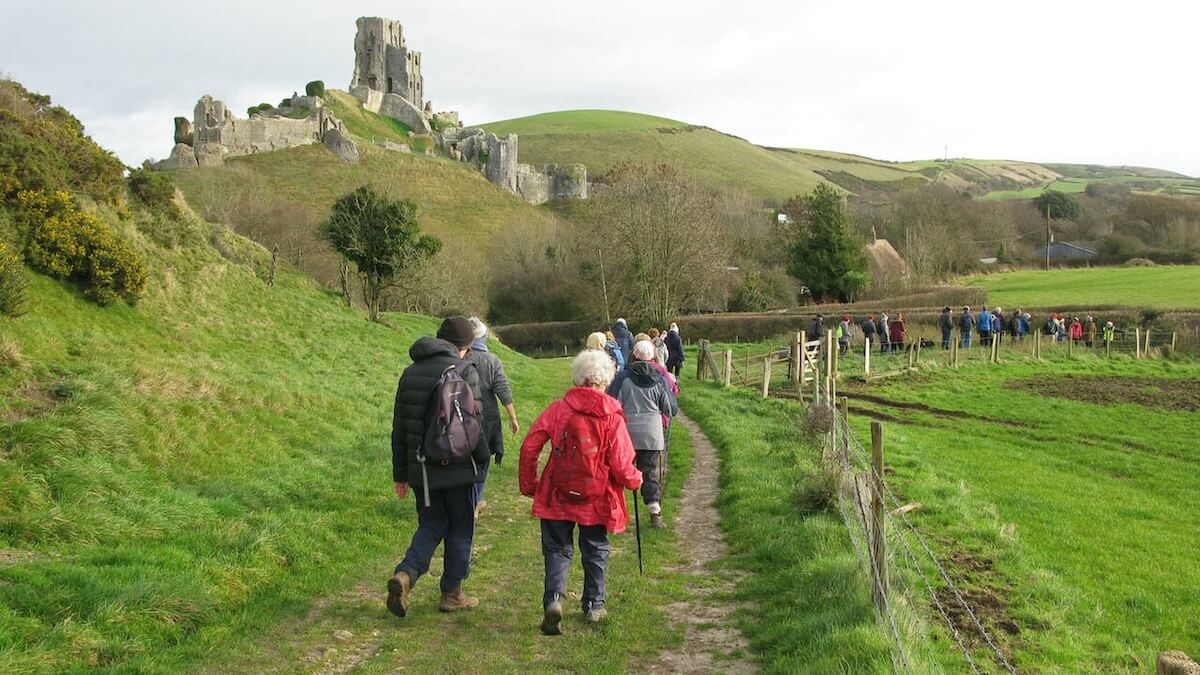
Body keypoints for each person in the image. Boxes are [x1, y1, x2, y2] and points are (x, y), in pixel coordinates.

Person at [520, 350, 643, 635]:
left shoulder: (558, 409)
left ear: (578, 378)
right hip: (596, 496)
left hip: (557, 493)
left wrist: (530, 484)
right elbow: (623, 465)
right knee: (596, 549)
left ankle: (554, 600)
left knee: (556, 549)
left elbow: (529, 447)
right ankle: (594, 606)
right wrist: (636, 480)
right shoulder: (612, 415)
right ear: (606, 380)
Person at [387, 317, 491, 619]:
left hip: (422, 469)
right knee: (460, 528)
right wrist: (482, 459)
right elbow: (476, 425)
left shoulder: (409, 373)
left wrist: (401, 475)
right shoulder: (465, 371)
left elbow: (399, 429)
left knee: (431, 524)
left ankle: (406, 574)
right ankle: (452, 593)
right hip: (459, 467)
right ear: (464, 347)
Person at [608, 341, 679, 529]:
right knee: (650, 473)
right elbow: (671, 409)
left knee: (618, 472)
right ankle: (655, 513)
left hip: (626, 434)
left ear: (634, 355)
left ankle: (613, 512)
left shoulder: (622, 377)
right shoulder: (659, 379)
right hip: (652, 434)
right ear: (652, 357)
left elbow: (611, 403)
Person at [464, 317, 520, 518]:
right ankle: (475, 501)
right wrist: (512, 417)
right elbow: (502, 389)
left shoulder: (459, 358)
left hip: (462, 414)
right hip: (487, 416)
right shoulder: (492, 360)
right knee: (483, 459)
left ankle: (467, 502)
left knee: (464, 459)